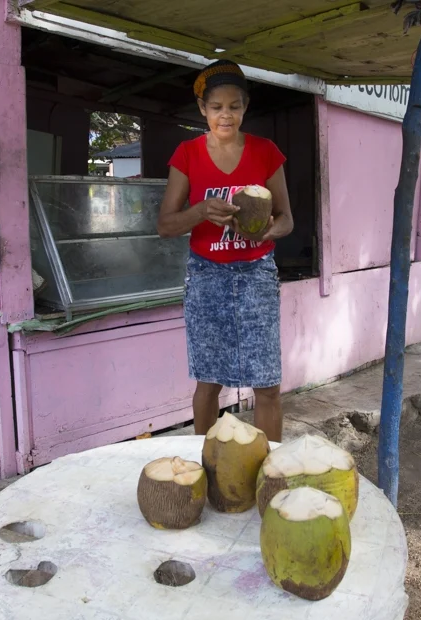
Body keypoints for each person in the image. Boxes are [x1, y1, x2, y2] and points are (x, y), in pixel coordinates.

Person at [157, 60, 294, 441]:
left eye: (234, 106)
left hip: (256, 276)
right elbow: (165, 225)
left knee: (266, 384)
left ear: (245, 107)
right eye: (216, 107)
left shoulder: (266, 152)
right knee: (209, 382)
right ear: (203, 109)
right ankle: (208, 465)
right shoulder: (187, 154)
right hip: (206, 275)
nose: (225, 115)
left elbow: (287, 220)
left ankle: (270, 469)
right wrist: (200, 211)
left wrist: (265, 233)